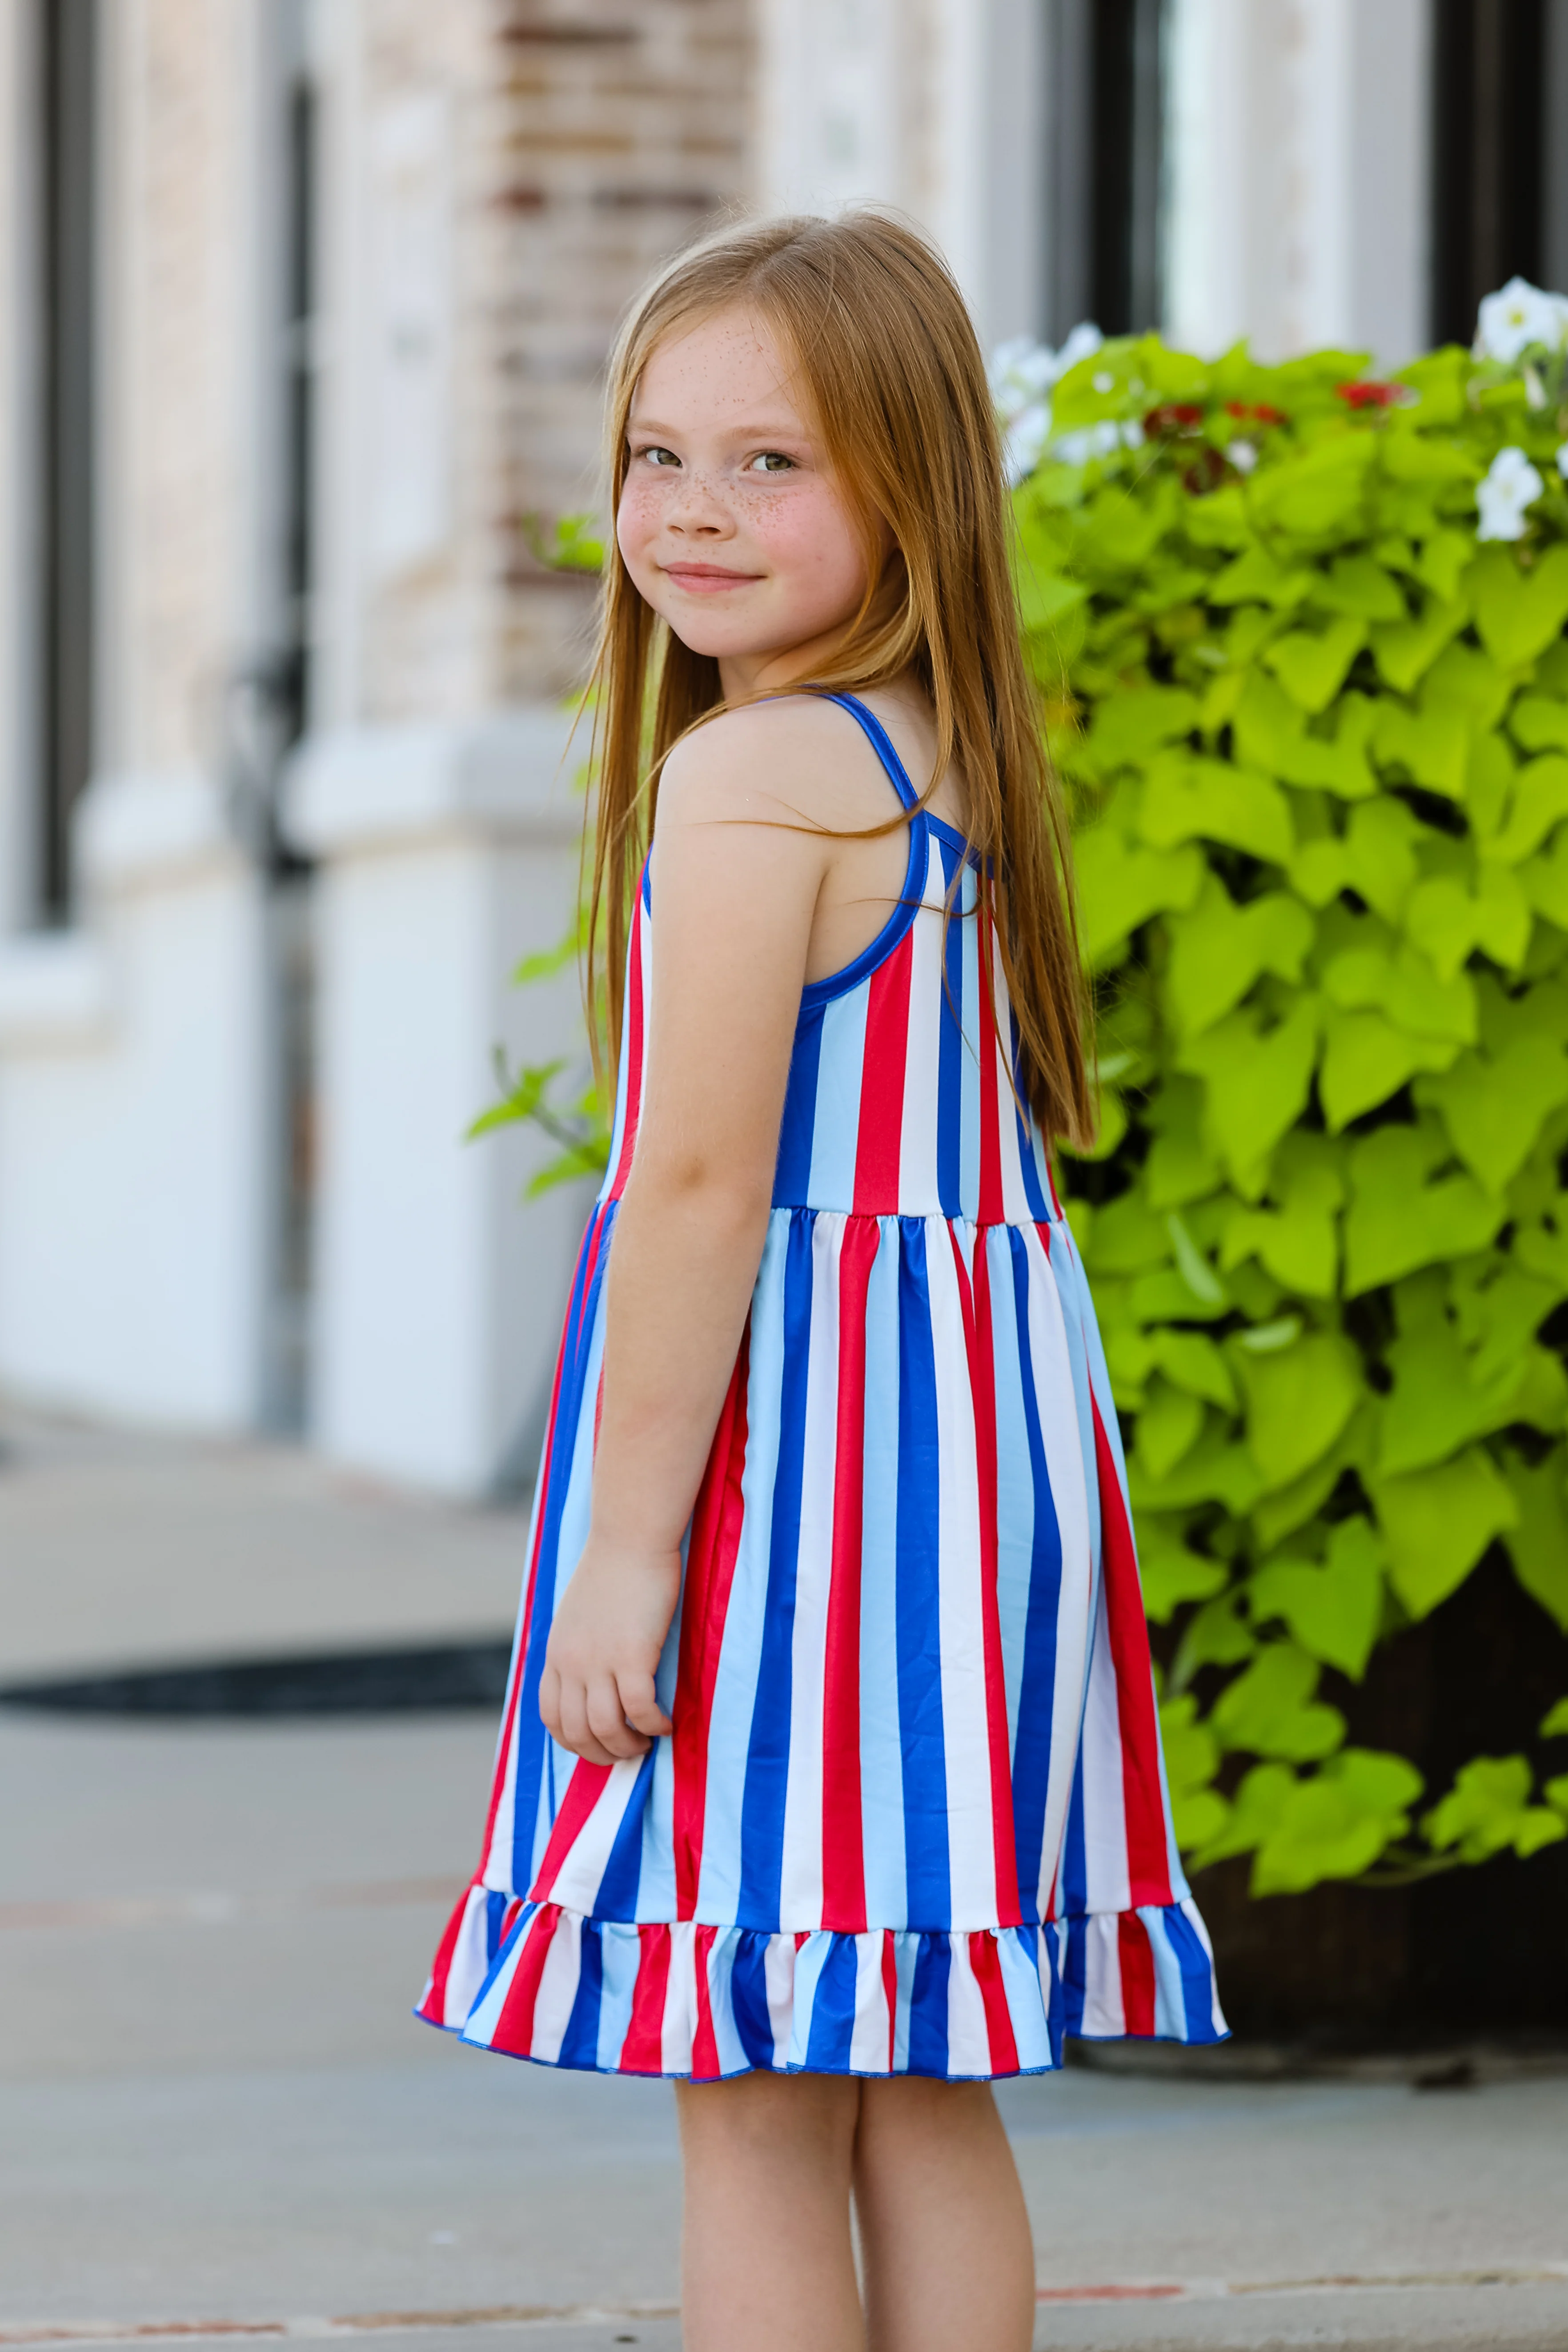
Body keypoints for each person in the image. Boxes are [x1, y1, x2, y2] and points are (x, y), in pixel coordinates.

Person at [419, 210, 1225, 2352]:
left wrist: (622, 1549)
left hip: (809, 1500)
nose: (690, 511)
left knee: (758, 2089)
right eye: (657, 454)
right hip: (964, 1481)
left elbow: (695, 1188)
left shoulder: (751, 770)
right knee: (915, 2085)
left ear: (909, 480)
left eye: (770, 462)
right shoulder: (934, 756)